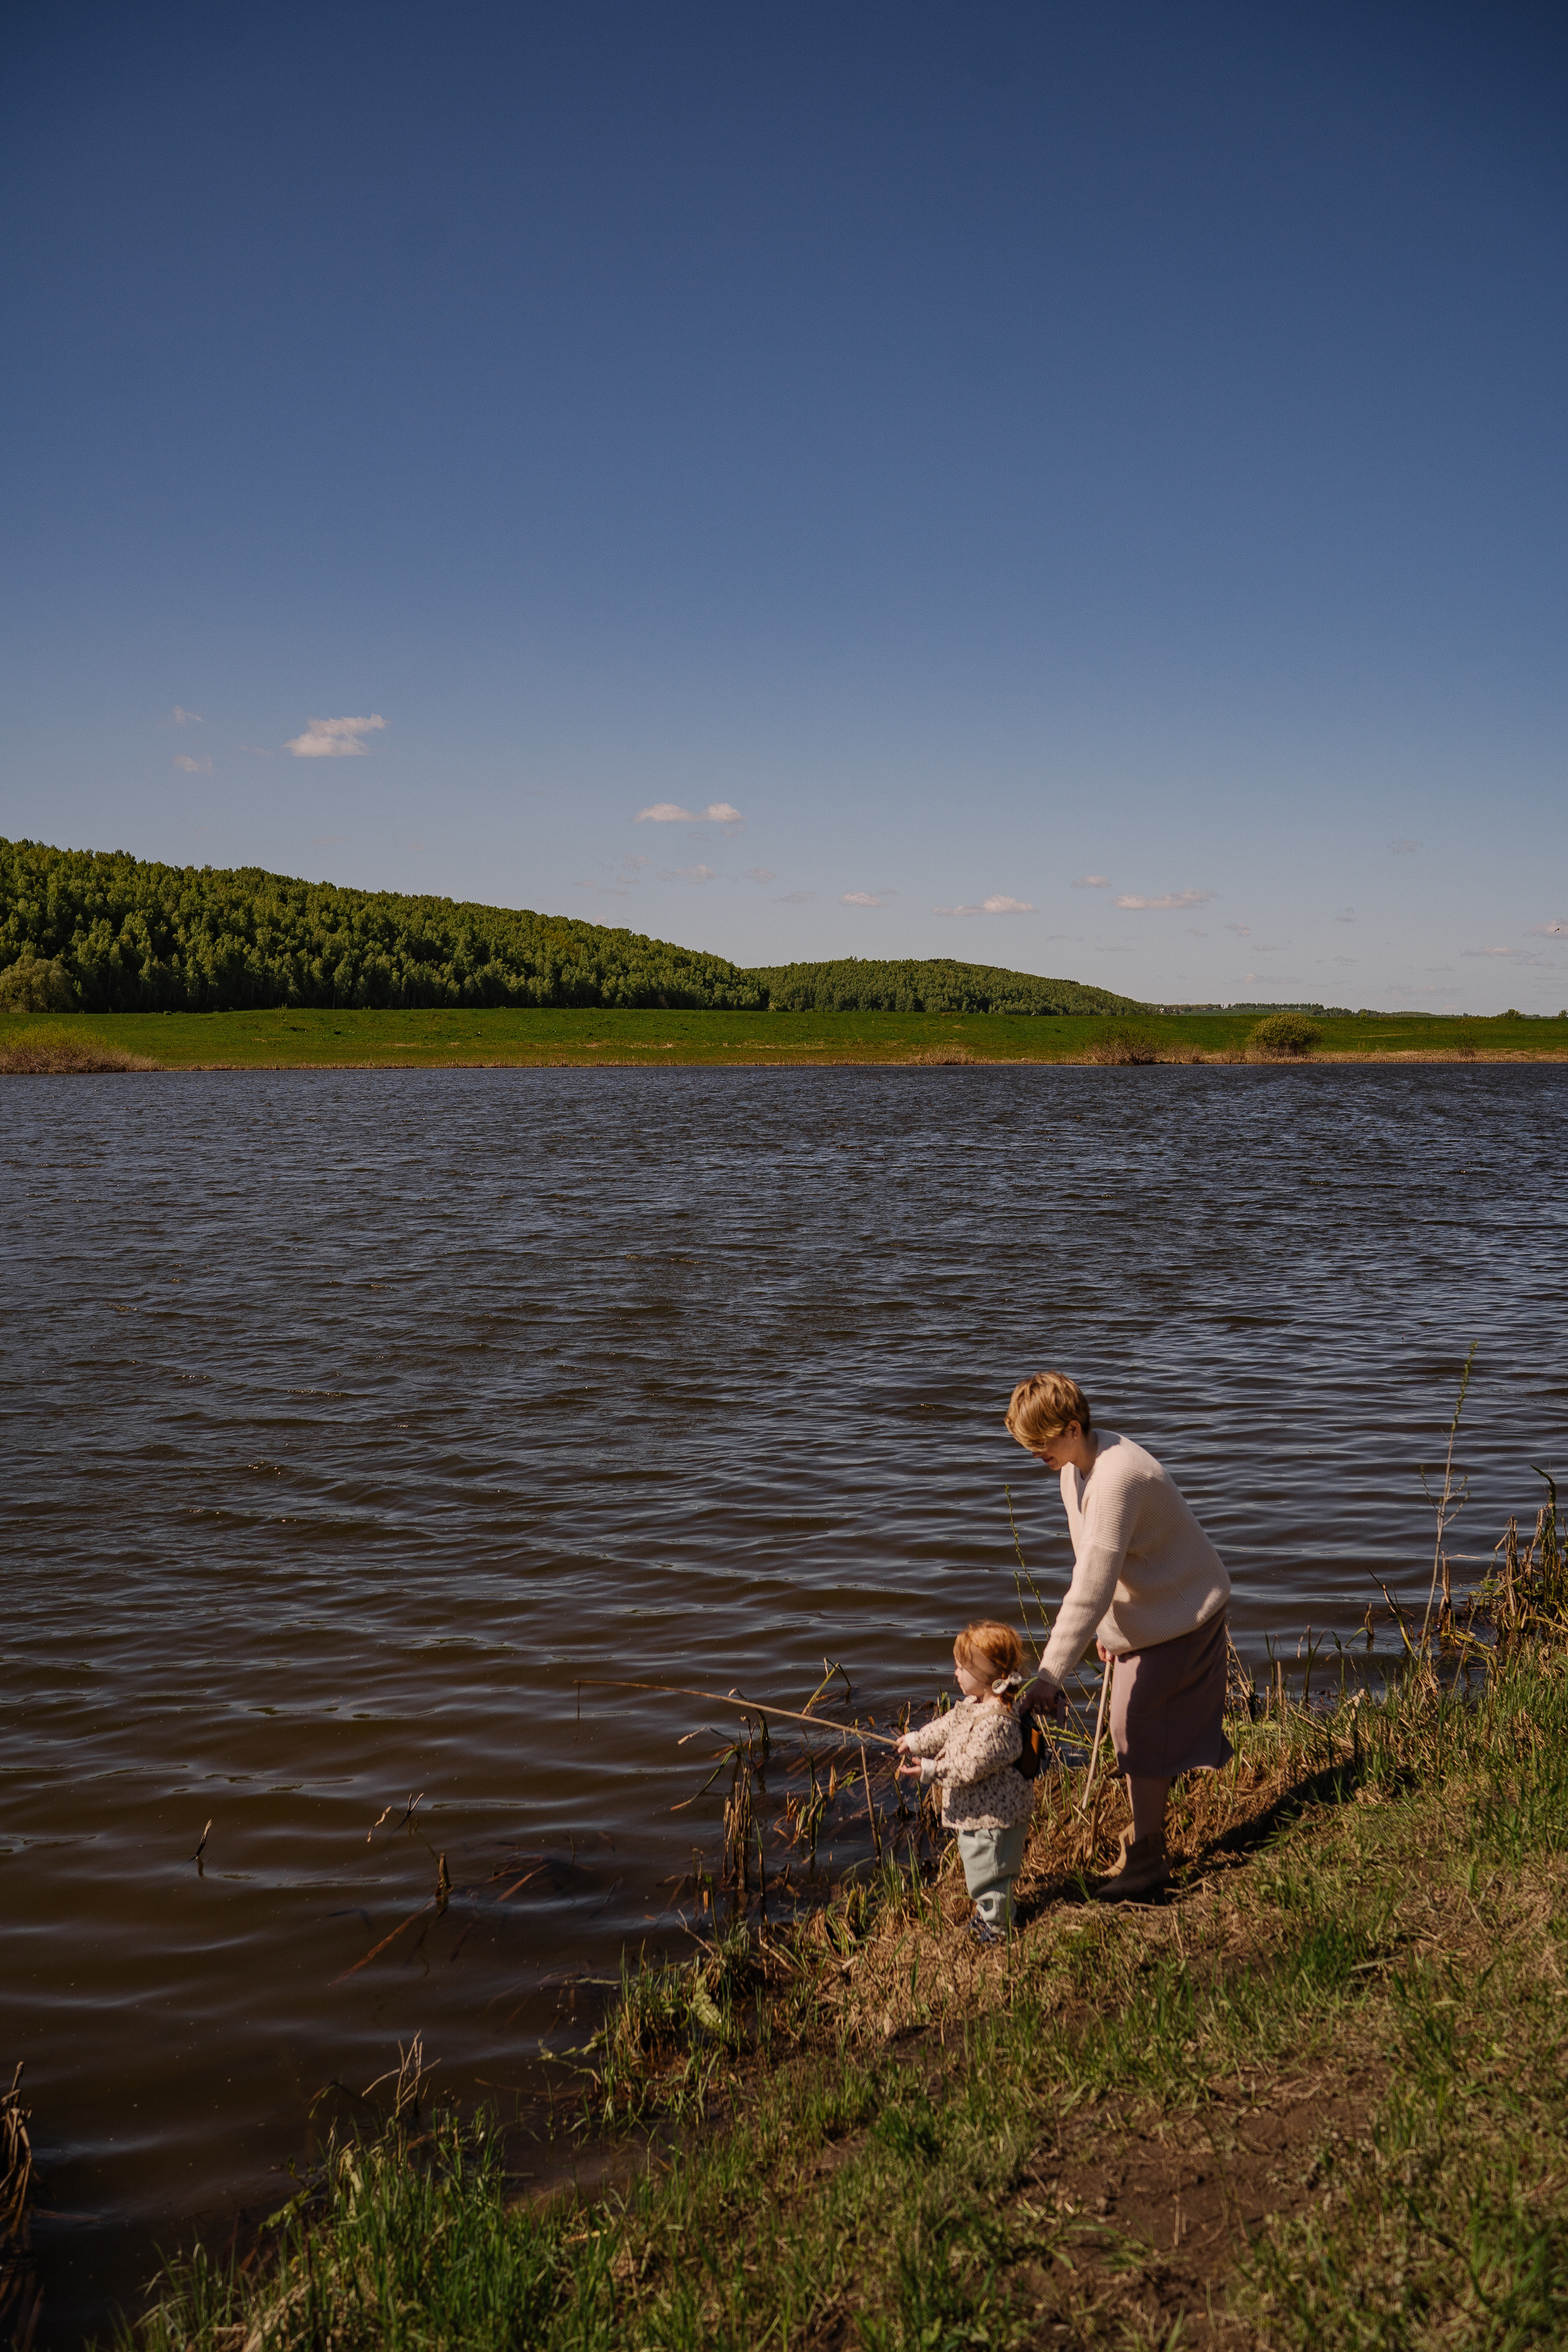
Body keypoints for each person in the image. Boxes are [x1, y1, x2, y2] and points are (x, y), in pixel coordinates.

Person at [1005, 1371, 1231, 1899]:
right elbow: (1096, 1566)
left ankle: (1148, 1860)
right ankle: (1145, 1838)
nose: (1034, 1452)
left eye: (1041, 1441)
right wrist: (1108, 1629)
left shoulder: (1117, 1477)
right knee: (1130, 1732)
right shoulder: (1074, 1469)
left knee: (1135, 1731)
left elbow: (1092, 1583)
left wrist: (1048, 1676)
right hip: (1151, 1613)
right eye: (1027, 1443)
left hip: (1184, 1613)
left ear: (1073, 1426)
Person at [895, 1618, 1033, 1946]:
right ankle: (996, 1912)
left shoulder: (999, 1722)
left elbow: (970, 1767)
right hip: (979, 1813)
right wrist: (916, 1740)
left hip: (995, 1820)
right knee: (980, 1867)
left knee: (990, 1871)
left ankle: (999, 1928)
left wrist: (930, 1770)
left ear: (986, 1675)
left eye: (961, 1667)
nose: (955, 1673)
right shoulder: (974, 1705)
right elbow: (945, 1727)